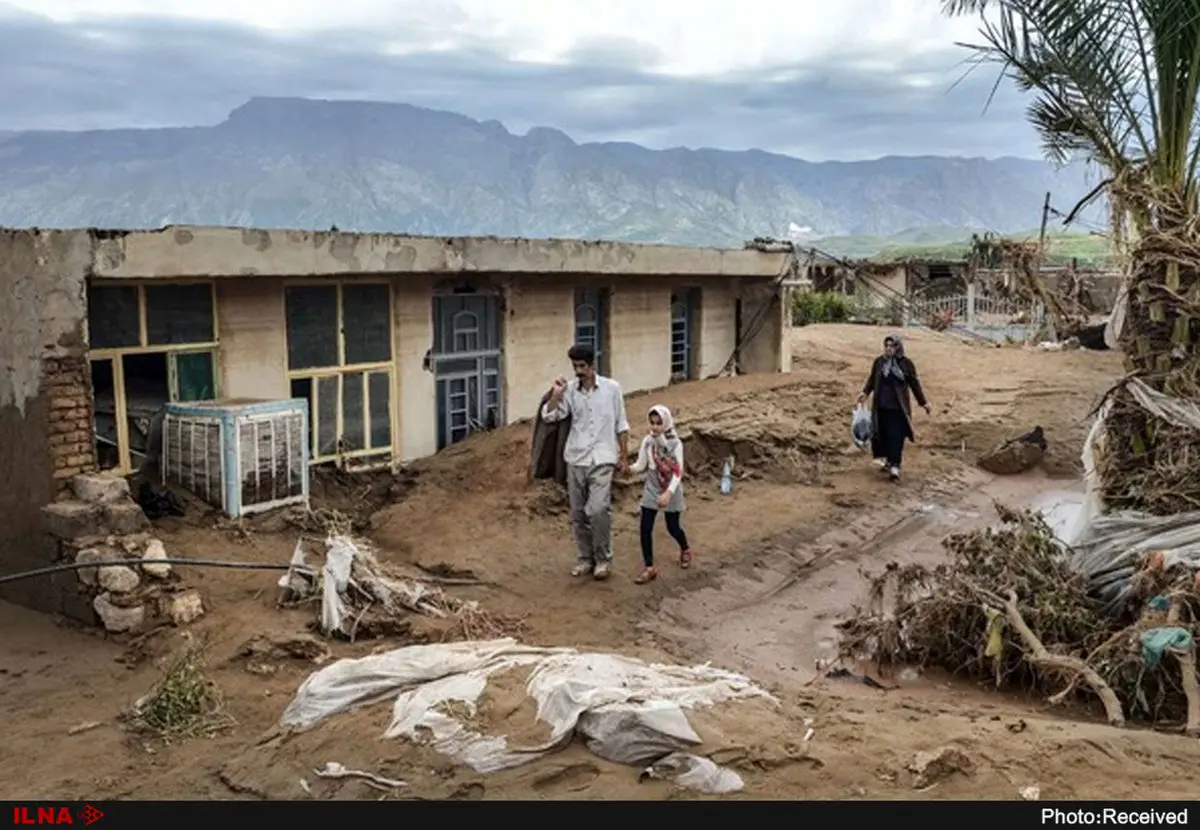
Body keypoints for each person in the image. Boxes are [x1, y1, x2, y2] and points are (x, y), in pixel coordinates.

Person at [541, 343, 630, 580]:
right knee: (579, 513)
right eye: (575, 366)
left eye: (582, 366)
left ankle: (603, 558)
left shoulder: (612, 388)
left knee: (599, 509)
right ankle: (584, 558)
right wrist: (555, 396)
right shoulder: (569, 390)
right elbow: (550, 416)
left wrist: (623, 455)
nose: (578, 371)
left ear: (592, 365)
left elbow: (621, 424)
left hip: (603, 458)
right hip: (576, 458)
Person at [629, 405, 694, 584]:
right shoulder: (648, 441)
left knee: (672, 527)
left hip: (670, 487)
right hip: (652, 485)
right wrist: (628, 469)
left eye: (659, 423)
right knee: (645, 527)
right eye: (652, 423)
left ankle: (685, 548)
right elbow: (641, 465)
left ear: (665, 423)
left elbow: (678, 471)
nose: (655, 427)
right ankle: (649, 567)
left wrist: (668, 493)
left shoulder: (675, 443)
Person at [856, 333, 930, 482]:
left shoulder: (906, 364)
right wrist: (865, 392)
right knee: (882, 435)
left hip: (898, 409)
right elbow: (872, 379)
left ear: (898, 347)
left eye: (892, 346)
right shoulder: (879, 362)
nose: (889, 349)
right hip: (881, 407)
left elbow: (914, 384)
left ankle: (895, 466)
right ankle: (889, 461)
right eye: (886, 346)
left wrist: (923, 403)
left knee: (896, 436)